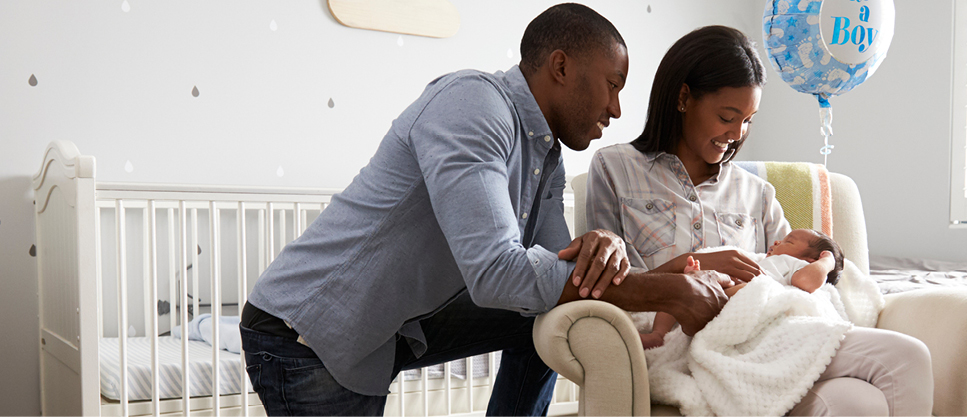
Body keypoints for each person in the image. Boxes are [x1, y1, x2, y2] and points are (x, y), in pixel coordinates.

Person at [239, 4, 730, 416]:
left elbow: (562, 273)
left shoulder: (545, 154)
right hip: (307, 334)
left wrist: (612, 248)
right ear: (561, 67)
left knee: (552, 309)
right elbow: (497, 272)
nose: (617, 109)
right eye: (612, 84)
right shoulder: (473, 105)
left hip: (385, 333)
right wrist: (667, 290)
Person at [585, 25, 934, 416]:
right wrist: (696, 268)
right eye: (727, 117)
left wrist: (828, 261)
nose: (737, 134)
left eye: (748, 120)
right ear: (684, 97)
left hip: (760, 343)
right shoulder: (615, 169)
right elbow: (613, 286)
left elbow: (794, 280)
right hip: (678, 345)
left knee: (860, 403)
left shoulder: (757, 193)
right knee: (906, 357)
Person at [640, 228, 845, 349]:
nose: (777, 241)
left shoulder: (795, 265)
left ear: (810, 260)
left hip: (747, 296)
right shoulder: (760, 261)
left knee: (743, 288)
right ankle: (659, 334)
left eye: (788, 241)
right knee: (678, 289)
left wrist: (827, 263)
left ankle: (698, 287)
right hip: (727, 286)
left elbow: (807, 282)